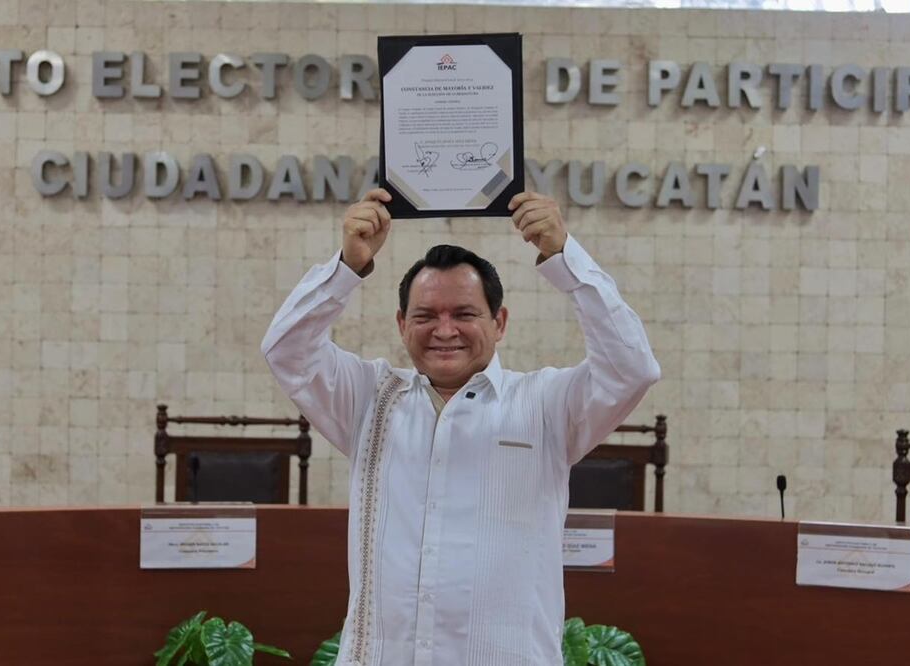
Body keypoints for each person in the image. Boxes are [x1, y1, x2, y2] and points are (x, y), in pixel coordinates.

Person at [261, 189, 660, 665]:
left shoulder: (546, 404)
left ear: (500, 322)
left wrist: (564, 258)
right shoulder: (370, 399)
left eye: (465, 314)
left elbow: (632, 368)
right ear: (402, 324)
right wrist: (347, 268)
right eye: (426, 316)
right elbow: (286, 350)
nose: (444, 330)